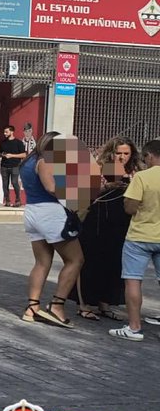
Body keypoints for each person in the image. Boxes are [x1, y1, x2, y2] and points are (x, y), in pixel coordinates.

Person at [71, 137, 144, 320]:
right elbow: (84, 193)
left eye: (126, 153)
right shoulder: (100, 166)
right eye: (118, 153)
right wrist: (107, 186)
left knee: (114, 263)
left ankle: (105, 302)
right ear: (111, 152)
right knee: (92, 261)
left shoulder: (136, 171)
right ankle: (85, 303)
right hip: (97, 221)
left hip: (121, 223)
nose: (122, 157)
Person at [19, 131, 83, 329]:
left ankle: (32, 307)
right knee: (76, 259)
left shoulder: (28, 162)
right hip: (51, 212)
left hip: (31, 211)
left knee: (42, 262)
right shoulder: (44, 161)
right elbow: (51, 187)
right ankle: (57, 306)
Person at [109, 139, 160, 341]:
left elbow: (130, 208)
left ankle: (134, 327)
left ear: (148, 156)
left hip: (139, 236)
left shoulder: (141, 177)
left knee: (133, 281)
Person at [0, 126, 27, 206]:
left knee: (14, 182)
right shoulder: (2, 142)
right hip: (4, 166)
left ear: (12, 132)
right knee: (5, 184)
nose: (4, 133)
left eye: (6, 132)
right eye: (4, 132)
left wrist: (12, 155)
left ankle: (18, 200)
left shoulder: (18, 142)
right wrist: (2, 154)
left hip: (15, 166)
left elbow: (24, 155)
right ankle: (7, 201)